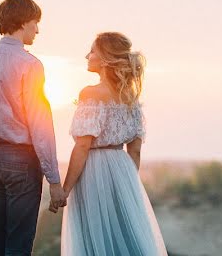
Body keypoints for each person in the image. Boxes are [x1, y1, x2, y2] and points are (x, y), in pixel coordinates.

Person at [0, 0, 67, 256]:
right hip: (20, 159)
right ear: (23, 23)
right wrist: (54, 180)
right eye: (35, 22)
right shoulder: (30, 65)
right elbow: (40, 123)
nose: (38, 29)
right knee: (17, 246)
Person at [59, 32, 168, 255]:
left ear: (106, 59)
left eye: (92, 51)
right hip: (123, 170)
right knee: (125, 234)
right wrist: (126, 183)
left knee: (95, 234)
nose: (87, 55)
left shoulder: (90, 94)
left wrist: (65, 189)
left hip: (93, 170)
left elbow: (82, 146)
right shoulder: (131, 98)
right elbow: (135, 152)